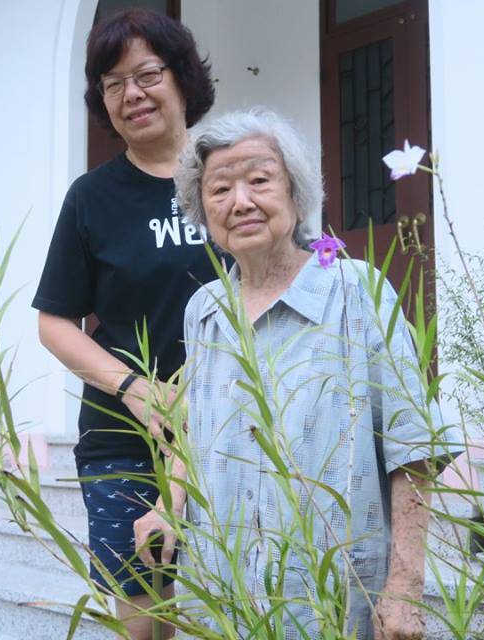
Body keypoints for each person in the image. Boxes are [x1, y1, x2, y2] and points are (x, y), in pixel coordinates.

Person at [134, 109, 462, 639]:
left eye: (260, 180)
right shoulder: (204, 309)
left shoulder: (355, 292)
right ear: (202, 208)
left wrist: (405, 584)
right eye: (220, 189)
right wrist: (167, 506)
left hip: (332, 597)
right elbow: (196, 431)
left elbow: (414, 444)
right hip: (223, 592)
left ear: (296, 193)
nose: (241, 202)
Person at [31, 8, 217, 640]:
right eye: (113, 84)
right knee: (143, 617)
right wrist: (136, 389)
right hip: (122, 436)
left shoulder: (231, 175)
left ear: (183, 78)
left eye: (147, 75)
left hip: (234, 424)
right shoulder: (92, 197)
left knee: (242, 600)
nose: (131, 94)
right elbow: (55, 323)